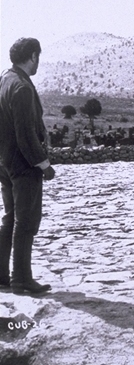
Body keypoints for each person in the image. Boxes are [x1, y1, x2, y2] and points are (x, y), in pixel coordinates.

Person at [0, 38, 55, 295]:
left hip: (5, 162)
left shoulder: (4, 80)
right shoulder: (21, 87)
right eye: (38, 57)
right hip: (23, 164)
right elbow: (25, 134)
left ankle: (2, 275)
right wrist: (43, 164)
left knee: (10, 218)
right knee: (26, 221)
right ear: (33, 56)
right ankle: (21, 278)